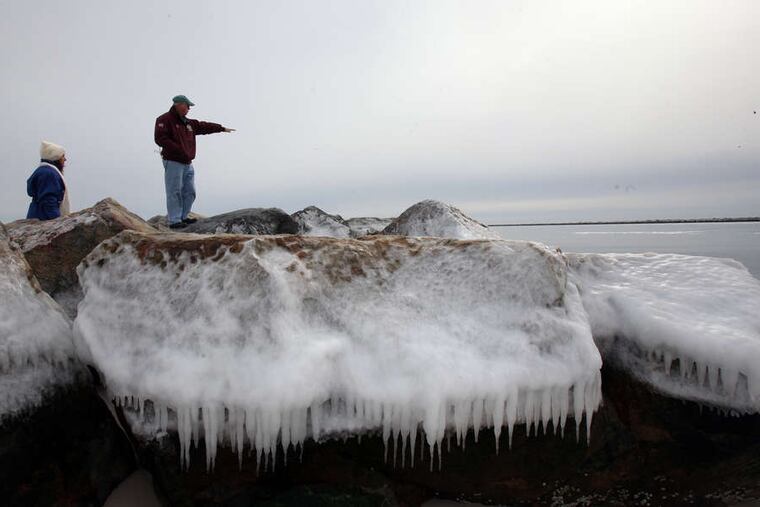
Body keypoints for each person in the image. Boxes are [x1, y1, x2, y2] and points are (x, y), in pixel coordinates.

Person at [154, 95, 235, 229]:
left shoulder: (189, 123)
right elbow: (160, 138)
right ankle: (174, 221)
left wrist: (221, 128)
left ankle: (183, 217)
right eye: (187, 105)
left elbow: (204, 126)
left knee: (190, 191)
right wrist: (178, 149)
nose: (189, 108)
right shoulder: (164, 119)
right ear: (179, 105)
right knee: (174, 191)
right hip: (173, 161)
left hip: (187, 162)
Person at [26, 141, 70, 220]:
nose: (65, 159)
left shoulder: (43, 171)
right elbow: (49, 201)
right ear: (56, 157)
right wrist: (57, 221)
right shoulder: (48, 174)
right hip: (43, 220)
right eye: (62, 156)